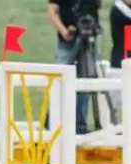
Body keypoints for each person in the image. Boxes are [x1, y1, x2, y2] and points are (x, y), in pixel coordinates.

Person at [49, 0, 101, 133]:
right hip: (67, 41)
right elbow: (52, 12)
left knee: (85, 83)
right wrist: (64, 31)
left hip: (89, 40)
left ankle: (80, 125)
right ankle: (52, 123)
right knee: (59, 82)